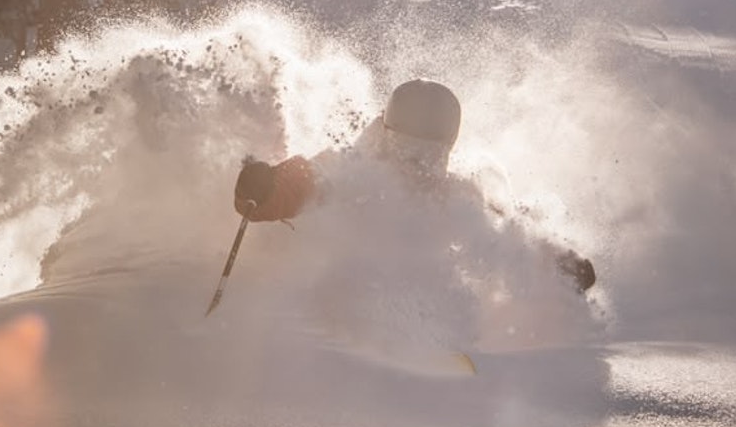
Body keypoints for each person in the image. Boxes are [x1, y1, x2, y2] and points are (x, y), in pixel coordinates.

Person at [233, 80, 596, 293]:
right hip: (338, 288)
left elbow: (508, 232)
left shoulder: (457, 191)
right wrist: (262, 189)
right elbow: (297, 185)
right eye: (409, 150)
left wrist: (561, 265)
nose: (418, 165)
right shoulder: (351, 168)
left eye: (431, 154)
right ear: (390, 136)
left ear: (447, 149)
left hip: (419, 294)